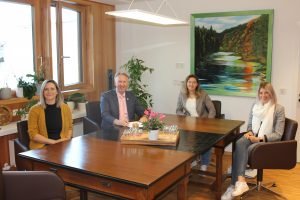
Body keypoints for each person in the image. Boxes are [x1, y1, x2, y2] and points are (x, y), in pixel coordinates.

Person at [221, 82, 285, 200]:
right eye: (261, 93)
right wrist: (249, 132)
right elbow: (250, 125)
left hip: (267, 143)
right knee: (240, 142)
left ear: (271, 94)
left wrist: (260, 138)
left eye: (266, 92)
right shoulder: (255, 106)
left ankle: (233, 185)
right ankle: (240, 182)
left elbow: (278, 134)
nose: (263, 95)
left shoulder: (279, 109)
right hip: (254, 137)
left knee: (242, 148)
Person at [176, 74, 216, 171]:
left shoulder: (203, 94)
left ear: (197, 84)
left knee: (205, 141)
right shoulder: (182, 94)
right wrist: (185, 117)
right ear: (186, 83)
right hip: (188, 123)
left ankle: (204, 163)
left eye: (194, 82)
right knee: (185, 140)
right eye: (189, 82)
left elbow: (212, 110)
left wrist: (208, 122)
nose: (191, 84)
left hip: (202, 122)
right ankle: (192, 159)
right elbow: (178, 110)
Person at [28, 80, 73, 149]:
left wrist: (66, 139)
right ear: (42, 92)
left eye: (52, 89)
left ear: (57, 91)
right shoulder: (34, 110)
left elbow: (70, 127)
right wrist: (53, 142)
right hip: (43, 147)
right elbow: (33, 134)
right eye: (46, 89)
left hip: (62, 144)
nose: (49, 92)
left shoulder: (65, 108)